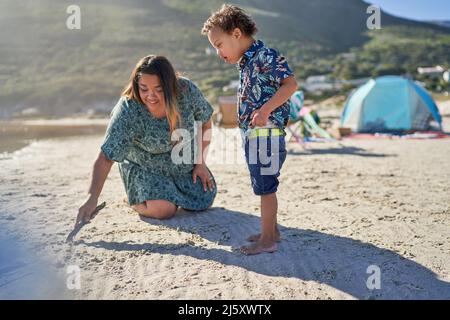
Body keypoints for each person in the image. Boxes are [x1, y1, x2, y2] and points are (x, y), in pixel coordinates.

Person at [75, 55, 217, 227]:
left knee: (204, 198)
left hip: (181, 160)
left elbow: (205, 123)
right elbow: (106, 157)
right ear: (136, 86)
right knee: (163, 210)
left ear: (170, 85)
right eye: (144, 88)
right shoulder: (128, 110)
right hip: (144, 167)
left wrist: (200, 163)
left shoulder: (186, 90)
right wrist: (92, 198)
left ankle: (165, 192)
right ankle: (134, 200)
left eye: (159, 89)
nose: (151, 95)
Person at [202, 5, 298, 255]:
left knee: (266, 186)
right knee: (261, 182)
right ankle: (272, 230)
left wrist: (265, 110)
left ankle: (268, 241)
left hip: (266, 132)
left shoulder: (266, 55)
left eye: (219, 44)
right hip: (253, 133)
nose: (217, 52)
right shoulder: (245, 62)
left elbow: (290, 85)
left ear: (236, 33)